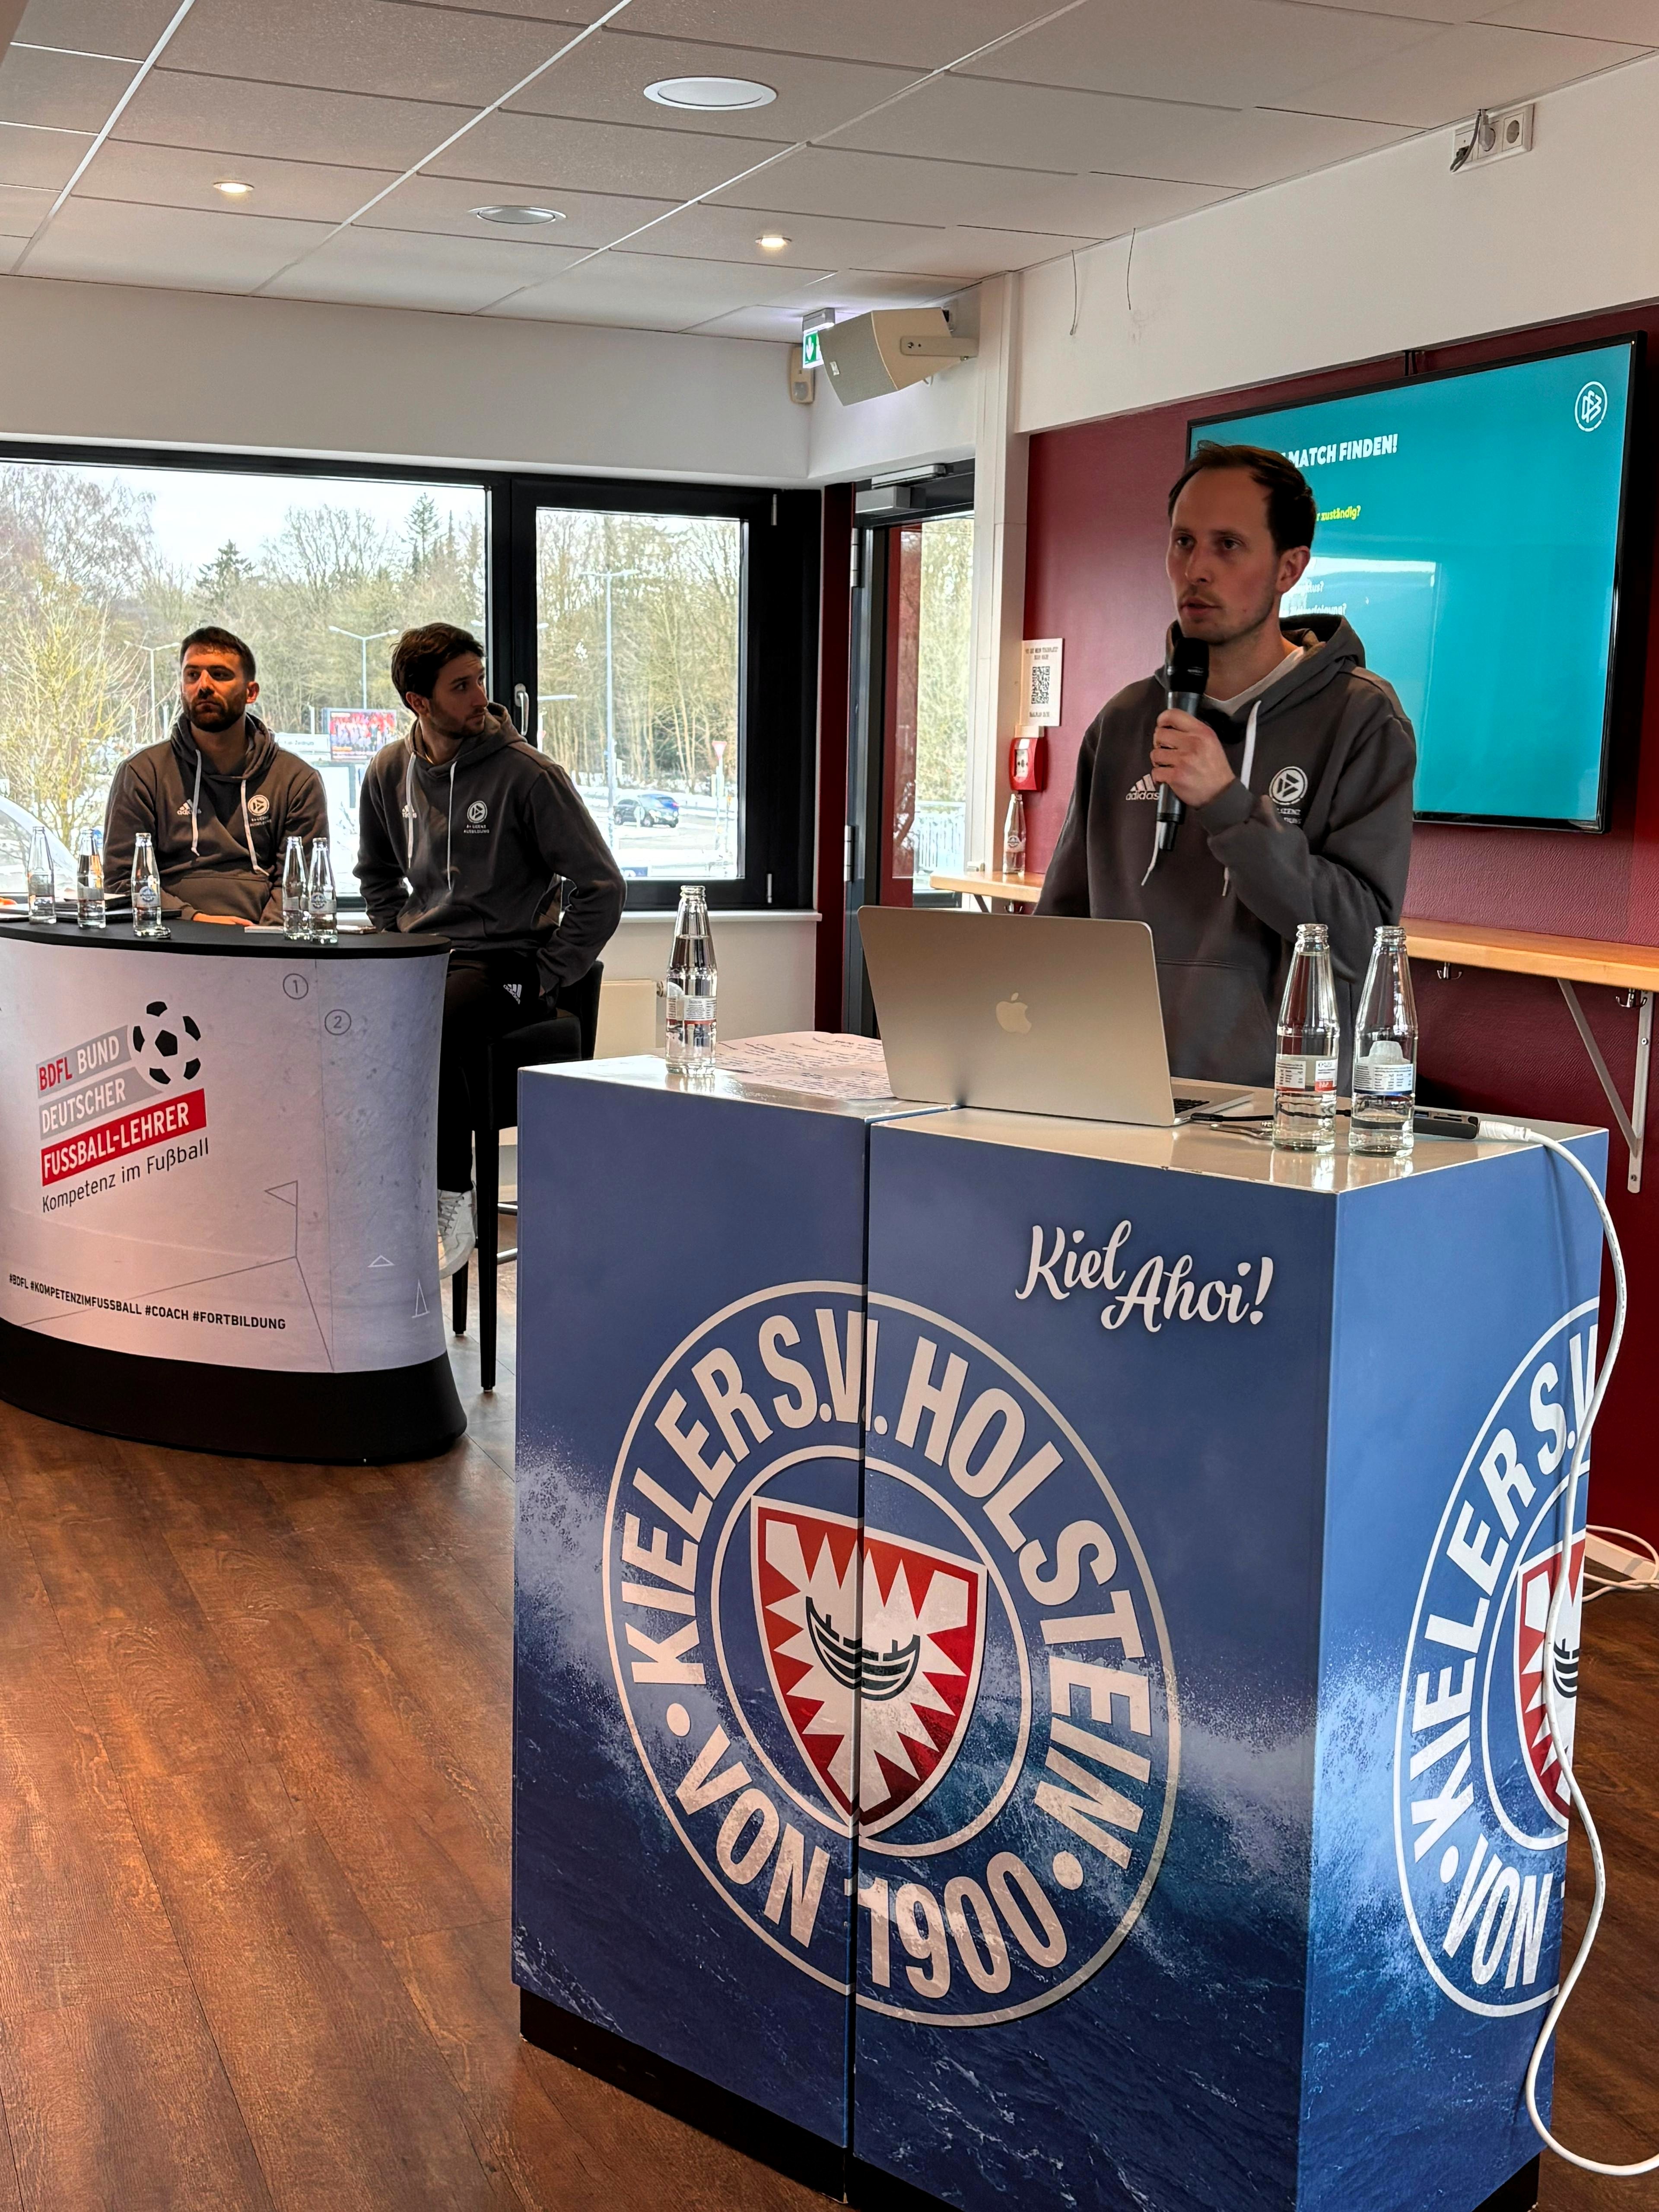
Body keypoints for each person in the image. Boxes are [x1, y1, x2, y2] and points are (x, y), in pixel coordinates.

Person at [1036, 442, 1417, 1085]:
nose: (1196, 569)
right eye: (1183, 542)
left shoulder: (1362, 718)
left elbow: (1362, 941)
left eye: (1228, 546)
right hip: (1122, 1092)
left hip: (1282, 1108)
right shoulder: (1124, 721)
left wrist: (1228, 806)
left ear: (1289, 568)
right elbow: (1062, 927)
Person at [357, 623, 624, 1280]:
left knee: (431, 1020)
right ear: (419, 701)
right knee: (348, 1020)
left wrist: (548, 972)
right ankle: (379, 1194)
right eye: (461, 686)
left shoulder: (530, 775)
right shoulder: (388, 770)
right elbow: (376, 875)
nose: (480, 696)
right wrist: (395, 936)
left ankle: (450, 1193)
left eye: (478, 680)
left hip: (505, 960)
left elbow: (602, 887)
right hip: (425, 959)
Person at [104, 628, 329, 925]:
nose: (204, 686)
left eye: (220, 675)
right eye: (192, 675)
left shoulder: (297, 781)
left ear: (251, 692)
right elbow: (122, 881)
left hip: (265, 941)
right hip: (169, 939)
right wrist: (194, 920)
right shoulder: (142, 774)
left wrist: (261, 939)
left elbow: (303, 884)